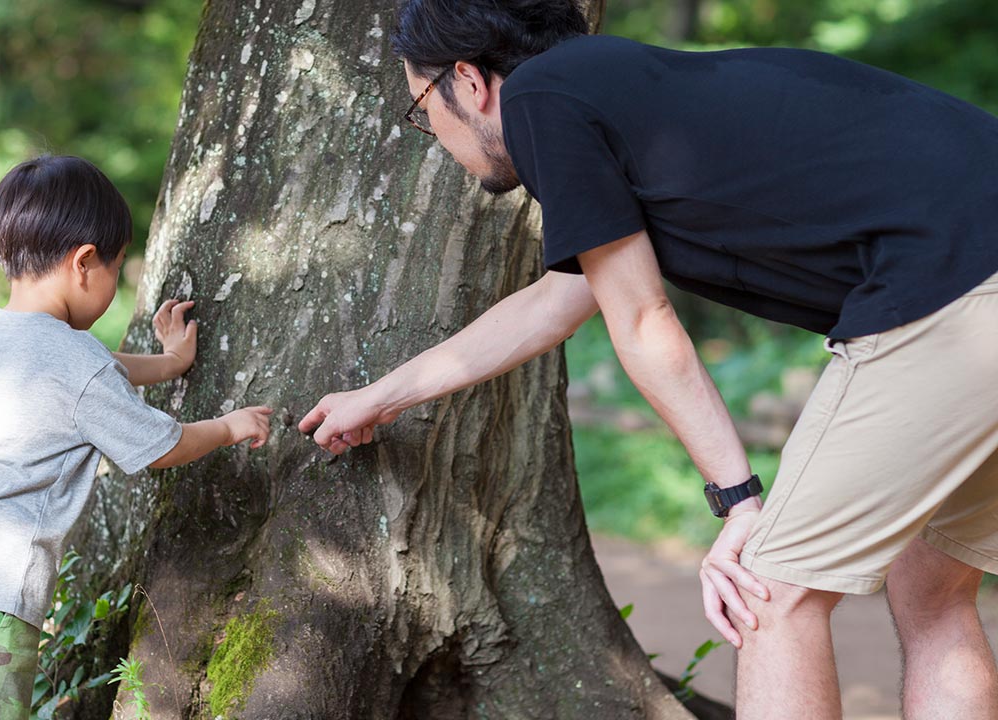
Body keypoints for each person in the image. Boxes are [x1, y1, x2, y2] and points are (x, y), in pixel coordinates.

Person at [298, 2, 998, 717]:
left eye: (421, 106)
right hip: (975, 272)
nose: (434, 135)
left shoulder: (542, 97)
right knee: (932, 591)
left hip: (952, 284)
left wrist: (738, 502)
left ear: (470, 81)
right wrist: (380, 396)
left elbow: (642, 318)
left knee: (767, 591)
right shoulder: (622, 93)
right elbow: (563, 299)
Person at [0, 155, 272, 720]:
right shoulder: (74, 362)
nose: (115, 283)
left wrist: (168, 365)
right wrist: (227, 427)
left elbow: (94, 373)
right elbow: (159, 446)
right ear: (84, 262)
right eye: (117, 268)